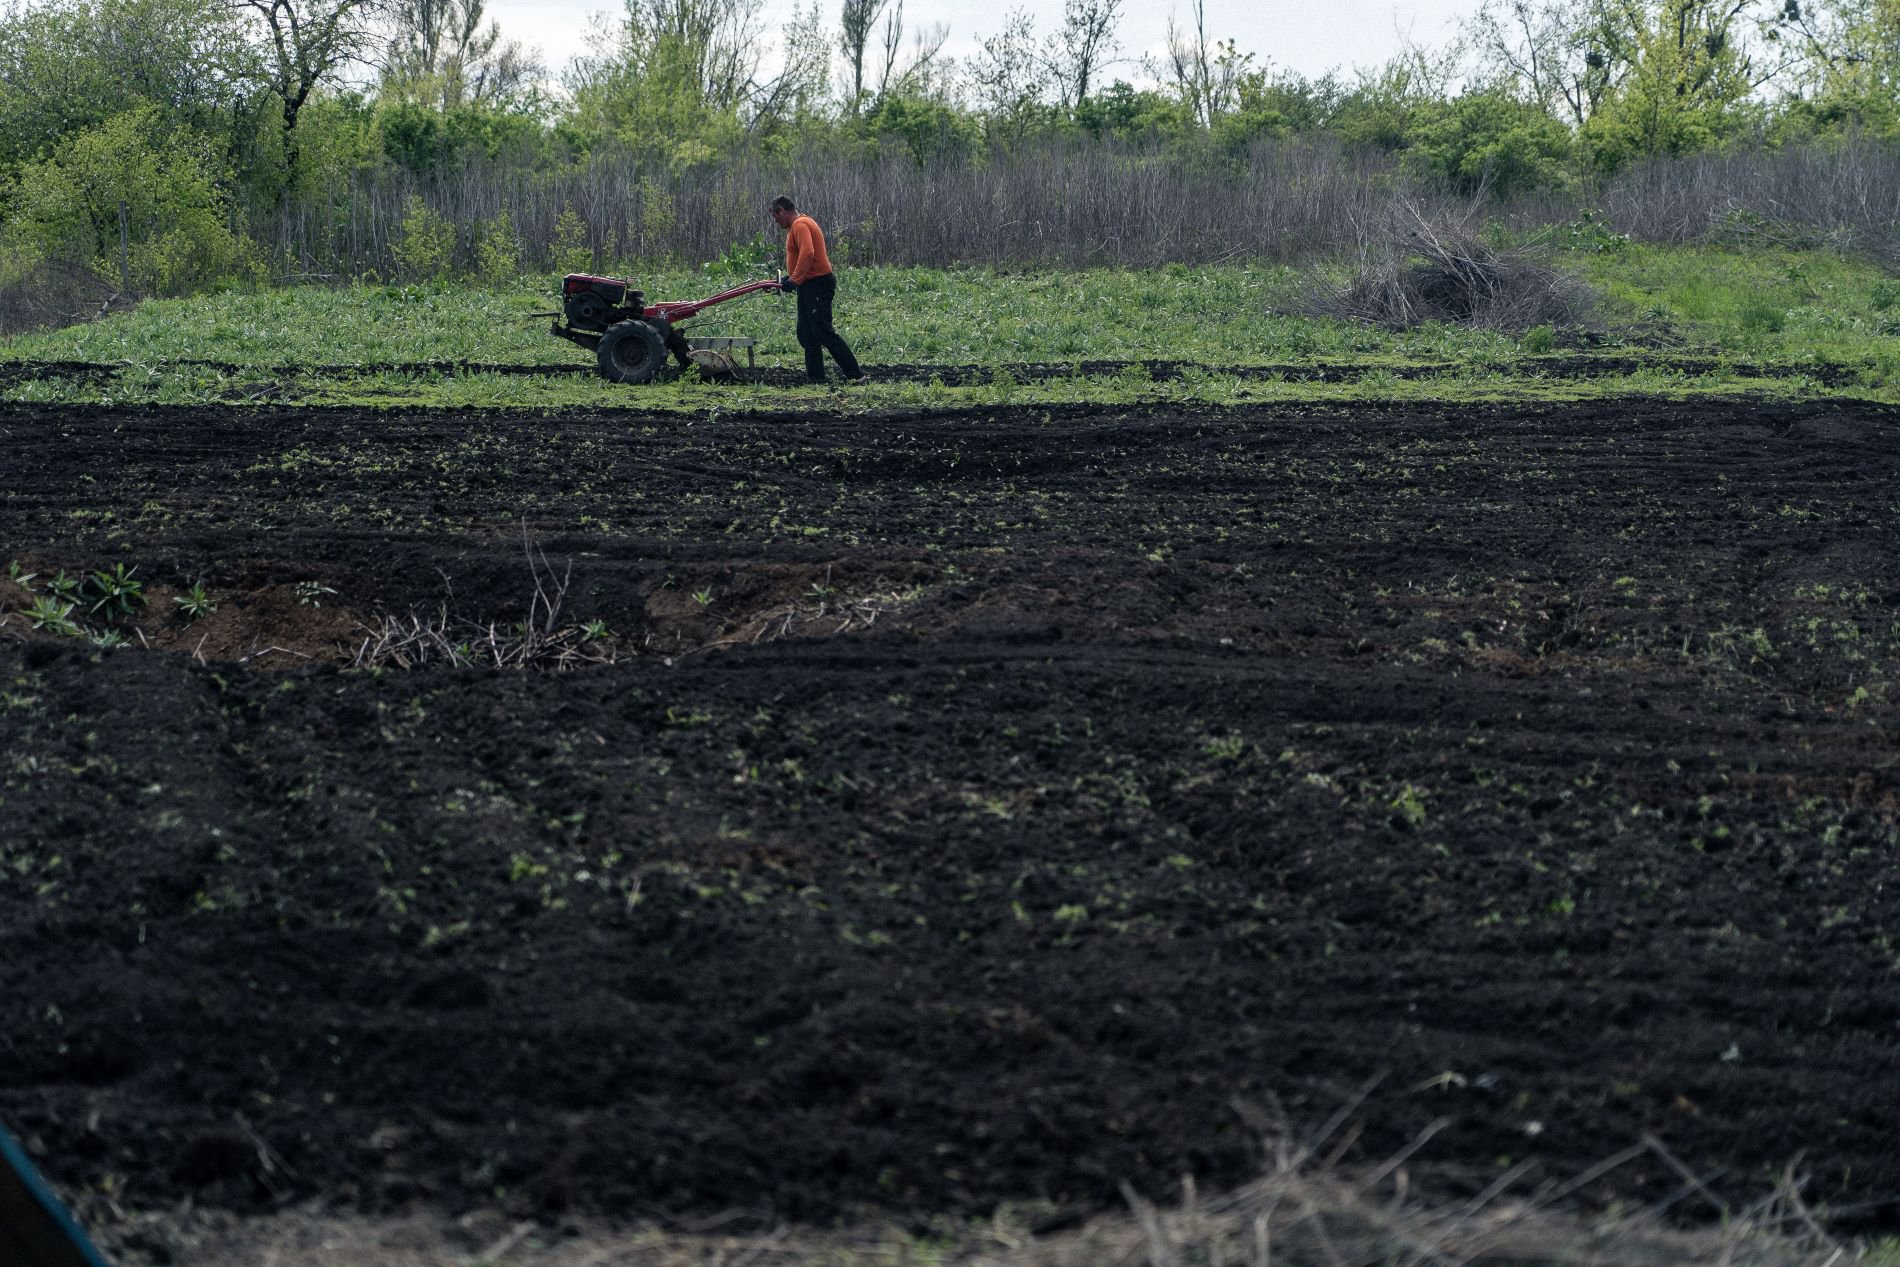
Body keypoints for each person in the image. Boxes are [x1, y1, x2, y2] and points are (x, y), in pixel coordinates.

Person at [769, 195, 865, 386]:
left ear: (782, 211)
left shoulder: (800, 225)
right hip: (808, 283)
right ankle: (816, 378)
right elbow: (802, 258)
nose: (775, 221)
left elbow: (808, 252)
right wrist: (792, 277)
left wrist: (795, 280)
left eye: (775, 216)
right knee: (806, 332)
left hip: (818, 284)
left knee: (823, 331)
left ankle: (856, 374)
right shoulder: (799, 224)